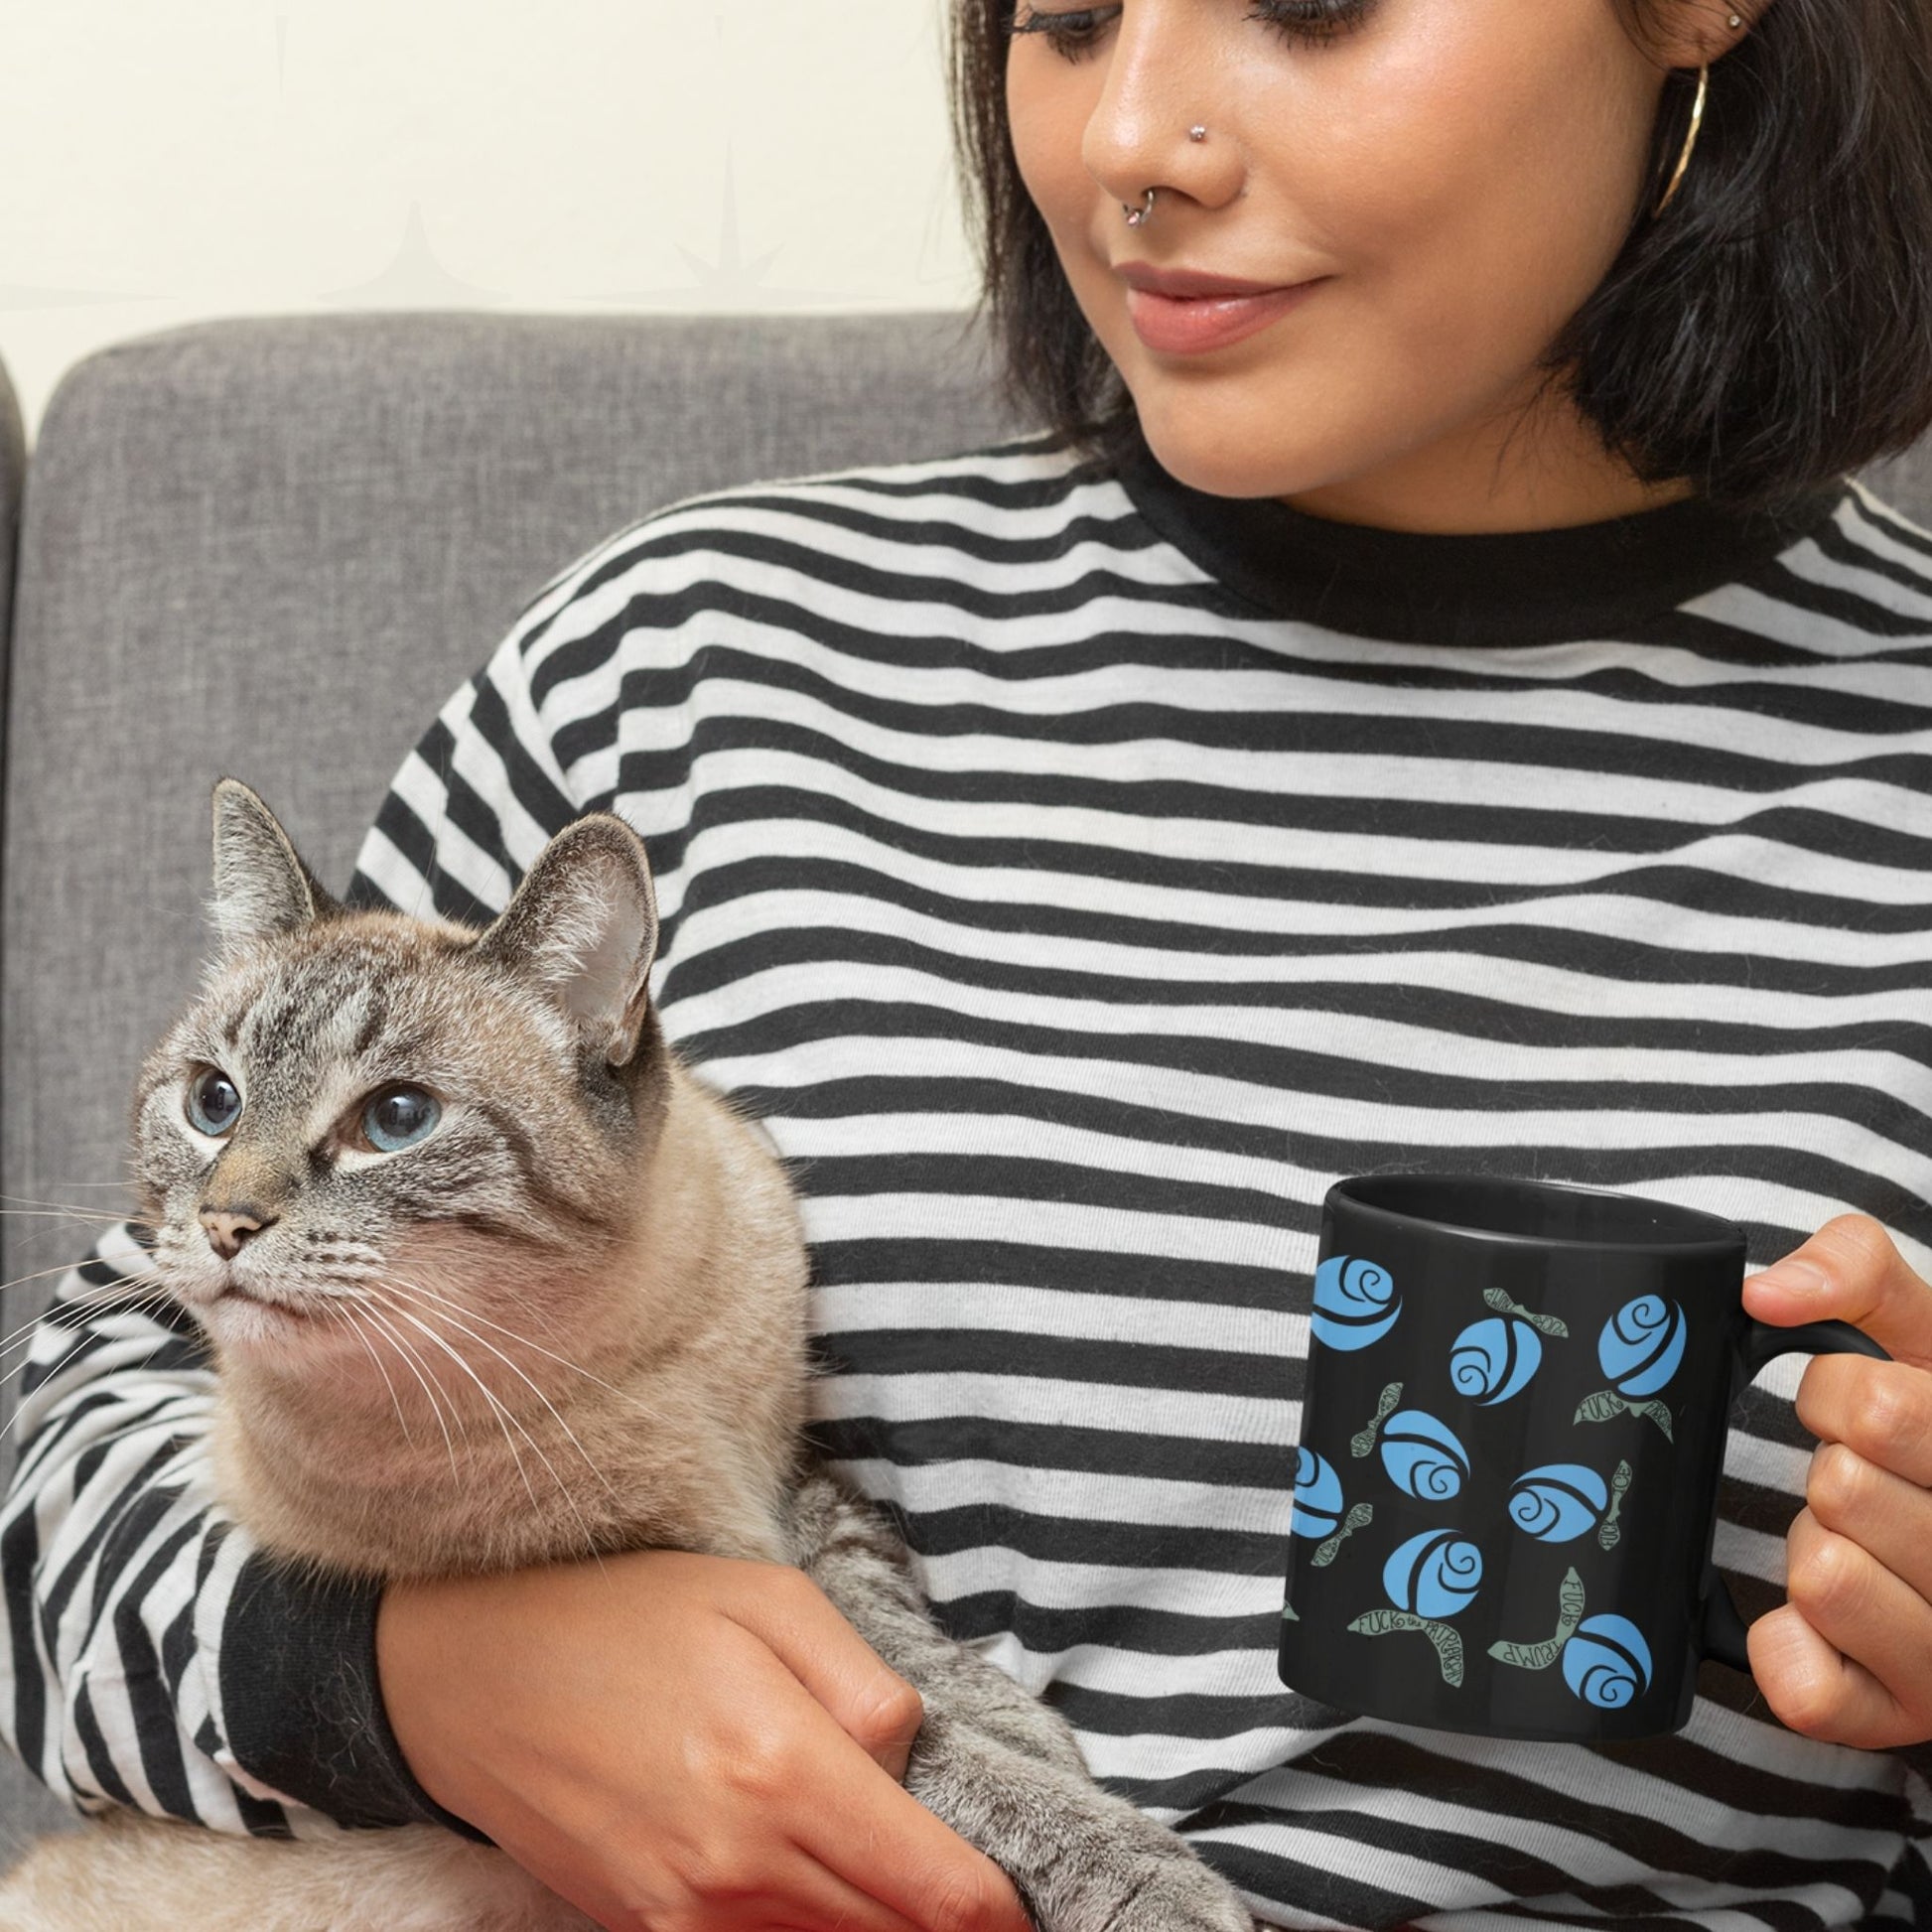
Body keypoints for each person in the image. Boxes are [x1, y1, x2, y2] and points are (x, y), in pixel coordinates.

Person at [5, 0, 1932, 1925]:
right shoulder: (696, 667)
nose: (1130, 141)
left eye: (1308, 8)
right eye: (1066, 22)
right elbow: (82, 1450)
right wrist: (412, 1687)